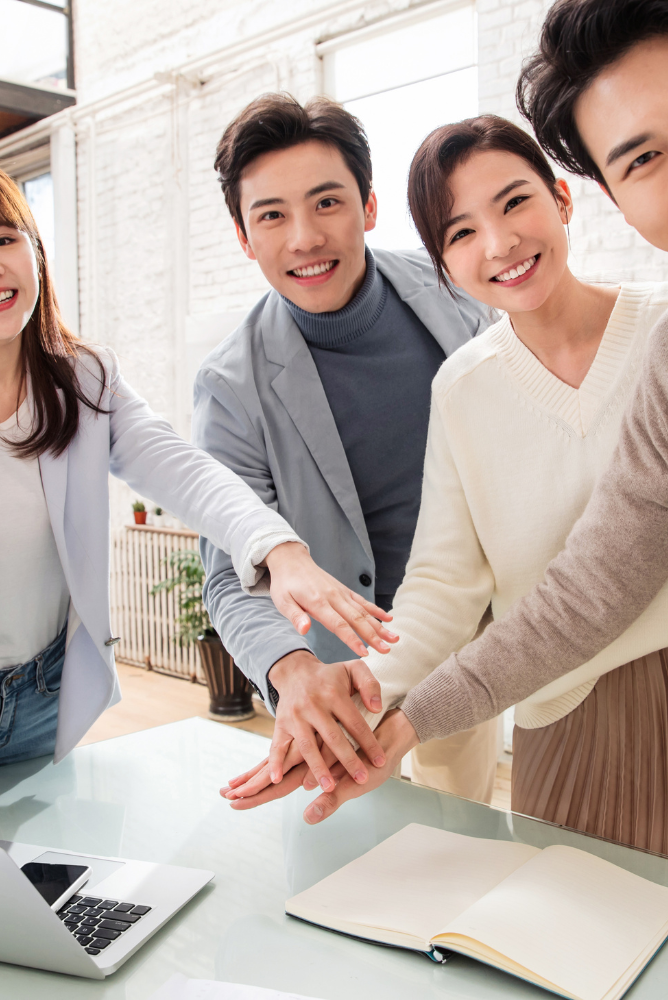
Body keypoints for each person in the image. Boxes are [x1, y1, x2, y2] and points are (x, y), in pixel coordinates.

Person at [226, 0, 668, 845]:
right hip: (562, 711)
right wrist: (359, 695)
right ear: (443, 262)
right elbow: (442, 587)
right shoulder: (464, 388)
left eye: (515, 203)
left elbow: (617, 563)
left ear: (566, 198)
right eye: (461, 231)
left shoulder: (659, 330)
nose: (499, 244)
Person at [0, 155, 396, 831]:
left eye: (4, 238)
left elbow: (181, 468)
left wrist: (281, 551)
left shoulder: (84, 378)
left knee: (27, 881)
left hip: (45, 699)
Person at [193, 93, 497, 806]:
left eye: (326, 203)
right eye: (271, 215)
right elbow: (229, 573)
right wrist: (293, 669)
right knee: (350, 862)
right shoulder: (230, 385)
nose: (304, 237)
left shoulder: (456, 296)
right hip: (341, 675)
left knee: (462, 836)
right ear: (243, 237)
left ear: (368, 205)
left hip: (471, 640)